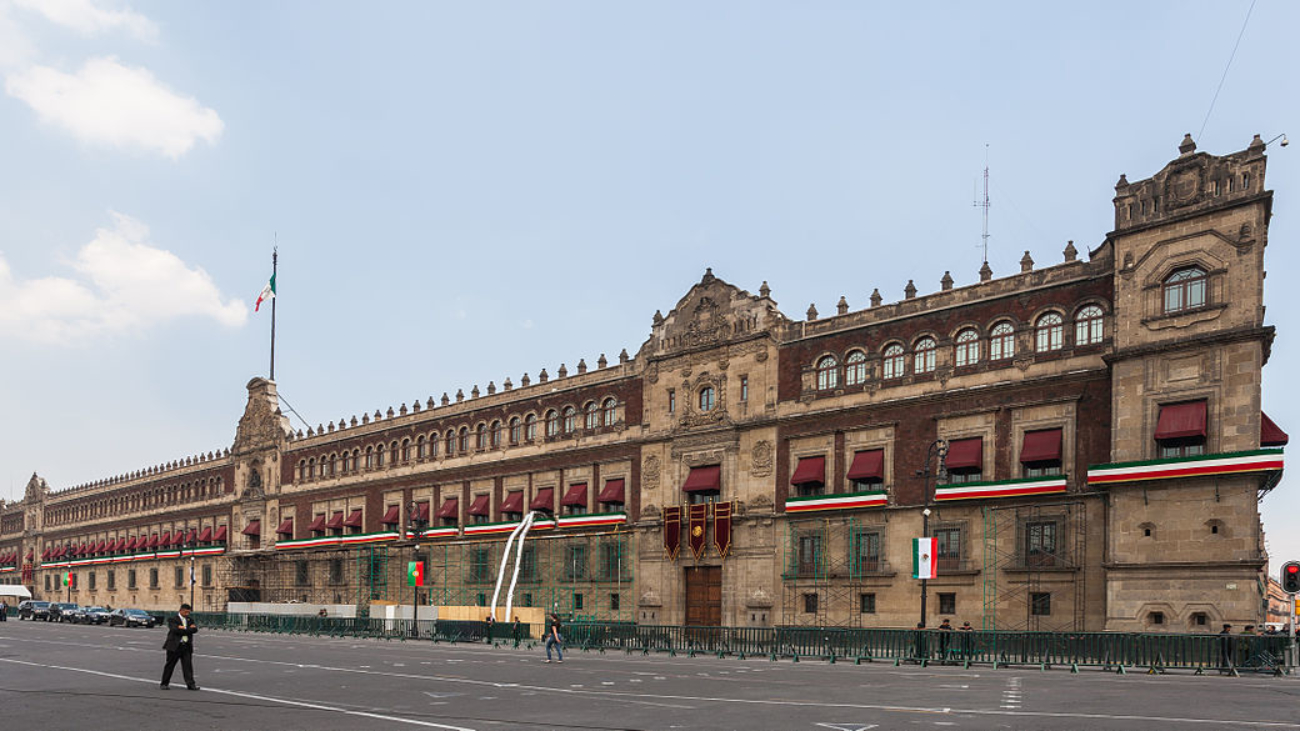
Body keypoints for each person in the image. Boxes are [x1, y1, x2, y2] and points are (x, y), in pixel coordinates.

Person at [161, 603, 200, 690]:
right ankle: (164, 683)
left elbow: (195, 629)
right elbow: (175, 630)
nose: (187, 614)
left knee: (188, 666)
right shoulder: (173, 619)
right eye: (186, 612)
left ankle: (191, 684)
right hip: (174, 646)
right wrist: (188, 629)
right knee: (170, 665)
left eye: (189, 612)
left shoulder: (190, 620)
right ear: (181, 610)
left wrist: (183, 628)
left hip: (186, 646)